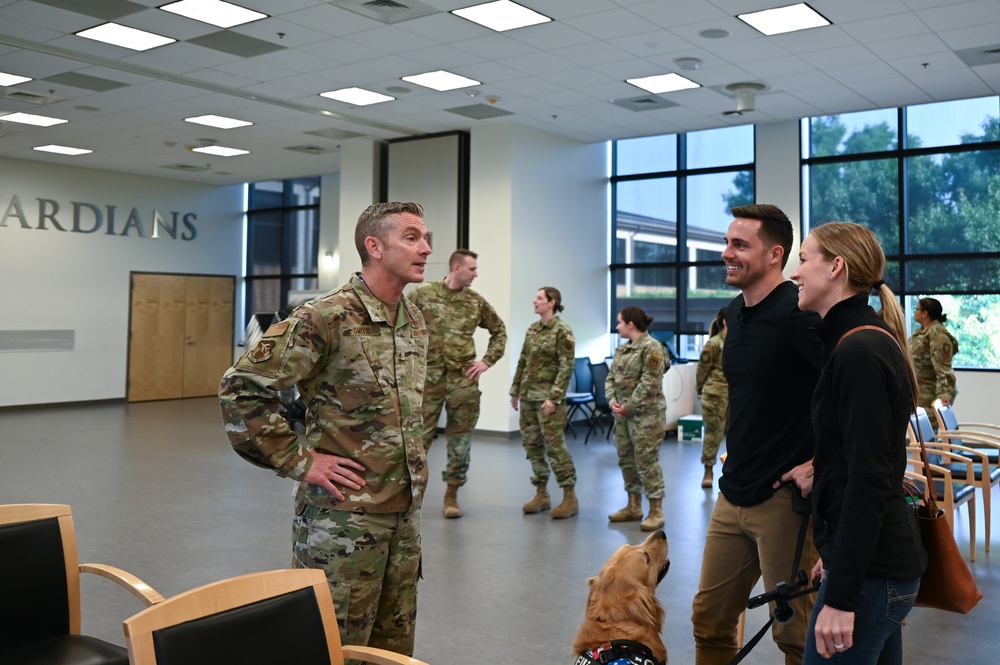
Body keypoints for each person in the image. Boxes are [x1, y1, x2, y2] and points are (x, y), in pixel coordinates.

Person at [219, 202, 432, 658]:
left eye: (426, 238)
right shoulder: (326, 317)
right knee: (331, 646)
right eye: (412, 237)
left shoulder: (413, 320)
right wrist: (299, 461)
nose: (426, 248)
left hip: (404, 515)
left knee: (391, 649)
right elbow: (242, 389)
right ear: (374, 247)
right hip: (342, 519)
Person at [691, 204, 823, 665]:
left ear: (775, 255)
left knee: (794, 633)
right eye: (727, 243)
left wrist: (819, 463)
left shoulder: (799, 313)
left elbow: (856, 393)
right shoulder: (734, 310)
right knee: (709, 620)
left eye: (740, 245)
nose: (727, 253)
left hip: (784, 501)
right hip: (734, 492)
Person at [790, 221, 925, 664]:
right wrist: (834, 556)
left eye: (804, 259)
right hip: (872, 569)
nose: (796, 272)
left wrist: (842, 594)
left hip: (871, 578)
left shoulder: (858, 352)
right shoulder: (858, 341)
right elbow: (854, 466)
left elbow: (867, 480)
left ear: (836, 268)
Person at [409, 249, 507, 518]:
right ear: (456, 267)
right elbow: (399, 326)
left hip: (463, 382)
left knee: (460, 441)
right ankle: (411, 495)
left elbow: (499, 332)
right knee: (416, 441)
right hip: (427, 380)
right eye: (472, 269)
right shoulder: (421, 294)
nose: (476, 274)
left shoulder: (476, 302)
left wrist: (486, 361)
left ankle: (451, 494)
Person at [510, 286, 578, 519]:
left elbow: (566, 366)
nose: (534, 301)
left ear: (552, 302)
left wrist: (554, 397)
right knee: (532, 446)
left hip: (548, 400)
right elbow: (523, 361)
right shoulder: (533, 329)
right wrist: (515, 390)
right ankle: (542, 493)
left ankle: (569, 496)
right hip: (528, 397)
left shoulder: (562, 331)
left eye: (539, 298)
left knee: (555, 447)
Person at [606, 306, 668, 531]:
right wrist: (612, 400)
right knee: (626, 459)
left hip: (646, 417)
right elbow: (611, 378)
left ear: (630, 325)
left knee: (646, 461)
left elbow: (650, 384)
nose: (617, 326)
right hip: (622, 416)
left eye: (620, 322)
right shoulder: (623, 350)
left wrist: (629, 407)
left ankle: (656, 510)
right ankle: (633, 505)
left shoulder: (652, 348)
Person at [909, 297, 959, 424]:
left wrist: (944, 394)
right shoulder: (921, 332)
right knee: (921, 437)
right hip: (920, 392)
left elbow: (944, 368)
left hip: (930, 394)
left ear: (925, 313)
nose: (915, 312)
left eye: (917, 309)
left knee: (928, 436)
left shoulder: (938, 334)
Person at [696, 307, 728, 489]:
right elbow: (702, 370)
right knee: (713, 435)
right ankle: (708, 471)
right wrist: (701, 389)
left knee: (737, 436)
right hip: (715, 396)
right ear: (725, 321)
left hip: (736, 396)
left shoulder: (739, 342)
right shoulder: (714, 344)